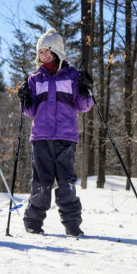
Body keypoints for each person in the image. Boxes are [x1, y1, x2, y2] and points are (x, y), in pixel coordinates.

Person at [16, 28, 94, 236]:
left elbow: (84, 106)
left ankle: (72, 224)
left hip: (66, 137)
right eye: (40, 52)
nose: (43, 55)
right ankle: (33, 222)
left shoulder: (72, 76)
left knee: (66, 183)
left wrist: (87, 90)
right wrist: (24, 98)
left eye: (47, 51)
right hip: (41, 137)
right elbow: (29, 111)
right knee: (41, 182)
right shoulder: (35, 79)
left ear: (57, 50)